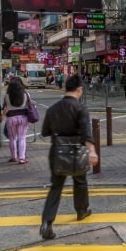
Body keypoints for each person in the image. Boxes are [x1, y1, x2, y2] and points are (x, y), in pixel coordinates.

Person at [38, 75, 98, 241]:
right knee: (80, 181)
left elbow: (44, 132)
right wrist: (92, 151)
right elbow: (87, 133)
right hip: (77, 152)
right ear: (79, 89)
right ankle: (81, 210)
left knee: (56, 187)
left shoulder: (52, 109)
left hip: (57, 151)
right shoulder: (80, 109)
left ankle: (46, 223)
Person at [2, 76, 31, 164]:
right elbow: (29, 106)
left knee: (12, 138)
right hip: (23, 118)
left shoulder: (6, 96)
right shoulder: (26, 94)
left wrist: (2, 116)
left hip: (11, 119)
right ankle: (22, 158)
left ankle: (14, 157)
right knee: (22, 138)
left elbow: (5, 108)